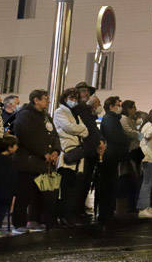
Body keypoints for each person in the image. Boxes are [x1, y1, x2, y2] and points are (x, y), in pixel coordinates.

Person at [11, 89, 60, 233]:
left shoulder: (46, 116)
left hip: (45, 164)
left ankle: (36, 220)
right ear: (36, 100)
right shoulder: (24, 115)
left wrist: (56, 151)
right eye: (45, 98)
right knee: (24, 195)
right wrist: (43, 152)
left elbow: (55, 134)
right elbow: (25, 136)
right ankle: (19, 224)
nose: (48, 101)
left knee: (43, 195)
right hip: (28, 163)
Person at [53, 87, 88, 226]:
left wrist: (80, 129)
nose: (73, 101)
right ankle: (63, 215)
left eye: (75, 98)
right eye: (71, 98)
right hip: (67, 151)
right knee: (65, 187)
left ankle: (69, 214)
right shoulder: (60, 111)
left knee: (74, 187)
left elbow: (86, 131)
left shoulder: (75, 114)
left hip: (77, 152)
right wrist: (80, 129)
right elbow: (70, 128)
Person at [72, 87, 104, 222]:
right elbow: (88, 129)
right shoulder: (79, 109)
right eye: (83, 91)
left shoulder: (88, 112)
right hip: (83, 150)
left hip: (91, 151)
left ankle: (80, 209)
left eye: (88, 92)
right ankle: (75, 211)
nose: (87, 94)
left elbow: (93, 129)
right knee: (79, 182)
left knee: (85, 182)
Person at [99, 95, 129, 224]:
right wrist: (126, 140)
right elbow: (115, 136)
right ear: (111, 106)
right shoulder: (109, 119)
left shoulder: (113, 119)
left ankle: (109, 212)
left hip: (114, 156)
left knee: (111, 184)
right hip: (110, 156)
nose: (120, 107)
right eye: (118, 105)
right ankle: (106, 213)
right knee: (108, 185)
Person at [137, 107, 152, 218]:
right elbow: (147, 135)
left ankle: (147, 206)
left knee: (150, 184)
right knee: (147, 183)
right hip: (148, 158)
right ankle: (142, 208)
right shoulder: (149, 125)